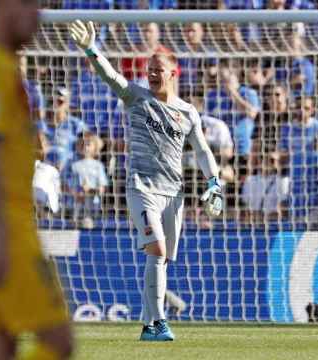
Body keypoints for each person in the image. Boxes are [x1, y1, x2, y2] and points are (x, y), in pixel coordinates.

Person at [70, 19, 222, 341]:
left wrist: (214, 182)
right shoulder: (136, 97)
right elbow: (109, 75)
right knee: (156, 249)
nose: (151, 73)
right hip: (142, 189)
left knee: (162, 260)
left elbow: (204, 151)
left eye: (157, 69)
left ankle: (149, 325)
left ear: (173, 73)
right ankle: (160, 322)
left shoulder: (188, 112)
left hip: (174, 194)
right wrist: (90, 49)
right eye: (149, 68)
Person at [0, 0, 73, 359]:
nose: (36, 14)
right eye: (28, 3)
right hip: (2, 221)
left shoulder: (3, 68)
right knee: (58, 340)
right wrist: (0, 233)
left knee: (0, 344)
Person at [37, 87, 86, 169]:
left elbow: (95, 143)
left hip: (68, 171)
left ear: (67, 105)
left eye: (60, 102)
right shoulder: (40, 124)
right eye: (51, 101)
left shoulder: (76, 124)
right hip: (44, 170)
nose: (54, 105)